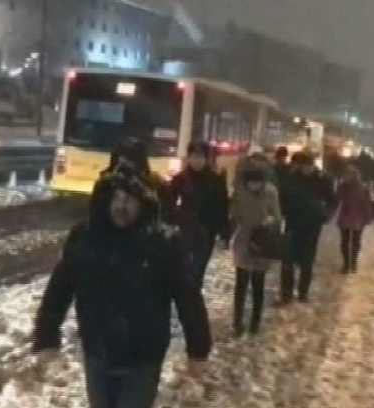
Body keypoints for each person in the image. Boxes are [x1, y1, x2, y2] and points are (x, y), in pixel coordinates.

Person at [32, 170, 212, 408]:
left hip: (142, 356)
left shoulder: (162, 242)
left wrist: (197, 347)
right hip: (97, 349)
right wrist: (46, 336)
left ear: (143, 203)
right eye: (116, 198)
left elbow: (187, 295)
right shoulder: (86, 237)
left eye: (129, 200)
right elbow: (60, 287)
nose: (121, 206)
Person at [277, 152, 336, 305]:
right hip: (292, 223)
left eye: (309, 166)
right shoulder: (291, 178)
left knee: (307, 261)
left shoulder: (323, 179)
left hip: (312, 225)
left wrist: (326, 215)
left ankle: (303, 293)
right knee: (287, 260)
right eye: (303, 166)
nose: (306, 169)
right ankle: (286, 294)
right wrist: (282, 212)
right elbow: (281, 197)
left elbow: (332, 200)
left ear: (313, 165)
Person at [170, 140, 230, 288]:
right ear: (189, 157)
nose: (197, 160)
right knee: (185, 270)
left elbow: (222, 207)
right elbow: (169, 204)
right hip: (185, 232)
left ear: (206, 158)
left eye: (201, 156)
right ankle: (189, 299)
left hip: (206, 232)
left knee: (198, 271)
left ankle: (193, 295)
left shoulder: (215, 180)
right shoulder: (180, 179)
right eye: (194, 156)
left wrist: (224, 233)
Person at [230, 168, 282, 336]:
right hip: (244, 241)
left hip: (262, 241)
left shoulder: (270, 192)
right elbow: (235, 214)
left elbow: (278, 216)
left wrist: (270, 220)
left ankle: (255, 322)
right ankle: (237, 322)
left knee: (258, 284)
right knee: (241, 284)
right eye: (251, 183)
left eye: (257, 183)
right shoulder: (240, 192)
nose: (254, 186)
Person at [336, 166, 374, 273]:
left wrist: (368, 216)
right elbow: (338, 197)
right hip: (354, 217)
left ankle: (350, 264)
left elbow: (367, 203)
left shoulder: (360, 187)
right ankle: (350, 264)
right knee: (350, 242)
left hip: (352, 217)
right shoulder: (346, 186)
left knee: (350, 241)